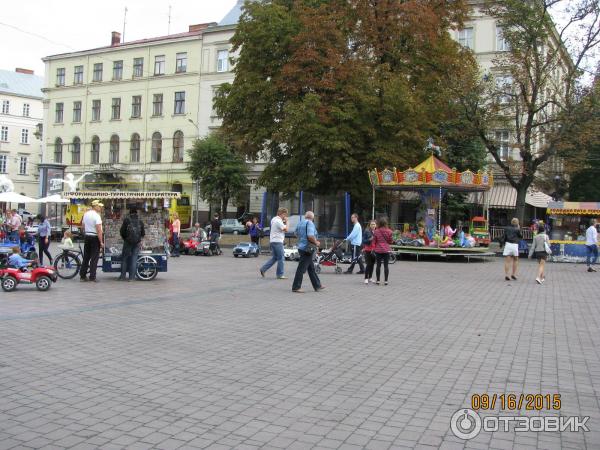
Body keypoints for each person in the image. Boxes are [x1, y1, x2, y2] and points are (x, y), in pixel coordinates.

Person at [292, 211, 324, 293]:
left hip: (302, 247)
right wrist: (316, 242)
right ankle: (296, 287)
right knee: (301, 268)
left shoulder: (300, 223)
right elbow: (310, 236)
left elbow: (295, 233)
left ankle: (317, 285)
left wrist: (302, 239)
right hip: (307, 249)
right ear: (312, 217)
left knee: (311, 268)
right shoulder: (310, 223)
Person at [260, 208, 288, 279]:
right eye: (285, 214)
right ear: (283, 214)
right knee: (281, 258)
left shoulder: (274, 219)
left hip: (273, 241)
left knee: (275, 258)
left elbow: (280, 227)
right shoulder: (278, 221)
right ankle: (280, 274)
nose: (285, 216)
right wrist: (287, 222)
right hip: (278, 241)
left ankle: (263, 269)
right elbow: (286, 229)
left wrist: (283, 221)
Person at [119, 207, 145, 281]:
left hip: (127, 242)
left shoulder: (126, 220)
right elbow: (143, 233)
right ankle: (132, 278)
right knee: (134, 259)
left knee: (124, 258)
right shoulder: (140, 221)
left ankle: (122, 277)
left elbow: (122, 232)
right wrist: (139, 239)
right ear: (136, 213)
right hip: (137, 243)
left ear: (130, 213)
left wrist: (125, 239)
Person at [80, 200, 104, 282]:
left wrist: (86, 233)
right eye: (99, 206)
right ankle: (92, 276)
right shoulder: (97, 216)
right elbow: (99, 230)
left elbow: (82, 226)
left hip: (87, 236)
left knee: (86, 257)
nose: (100, 208)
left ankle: (82, 276)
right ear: (95, 206)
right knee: (94, 258)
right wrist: (101, 241)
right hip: (94, 237)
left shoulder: (86, 214)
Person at [372, 217, 393, 285]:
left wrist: (373, 248)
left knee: (378, 265)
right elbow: (390, 241)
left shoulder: (376, 231)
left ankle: (378, 280)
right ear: (386, 223)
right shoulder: (389, 231)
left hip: (378, 250)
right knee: (386, 266)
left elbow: (374, 241)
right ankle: (386, 281)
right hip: (386, 250)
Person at [362, 220, 377, 284]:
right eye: (372, 224)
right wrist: (369, 239)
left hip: (374, 250)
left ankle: (370, 278)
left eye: (374, 224)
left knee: (372, 265)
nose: (373, 225)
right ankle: (366, 278)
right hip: (368, 250)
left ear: (376, 225)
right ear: (369, 225)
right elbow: (363, 241)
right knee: (368, 264)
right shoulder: (367, 231)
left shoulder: (376, 232)